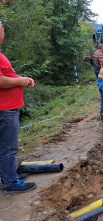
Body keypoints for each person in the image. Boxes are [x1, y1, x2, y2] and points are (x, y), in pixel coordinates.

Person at [0, 20, 37, 194]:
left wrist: (22, 79)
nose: (4, 35)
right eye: (2, 31)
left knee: (5, 146)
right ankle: (10, 183)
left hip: (8, 107)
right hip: (4, 108)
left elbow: (8, 75)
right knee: (8, 147)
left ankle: (8, 175)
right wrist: (20, 81)